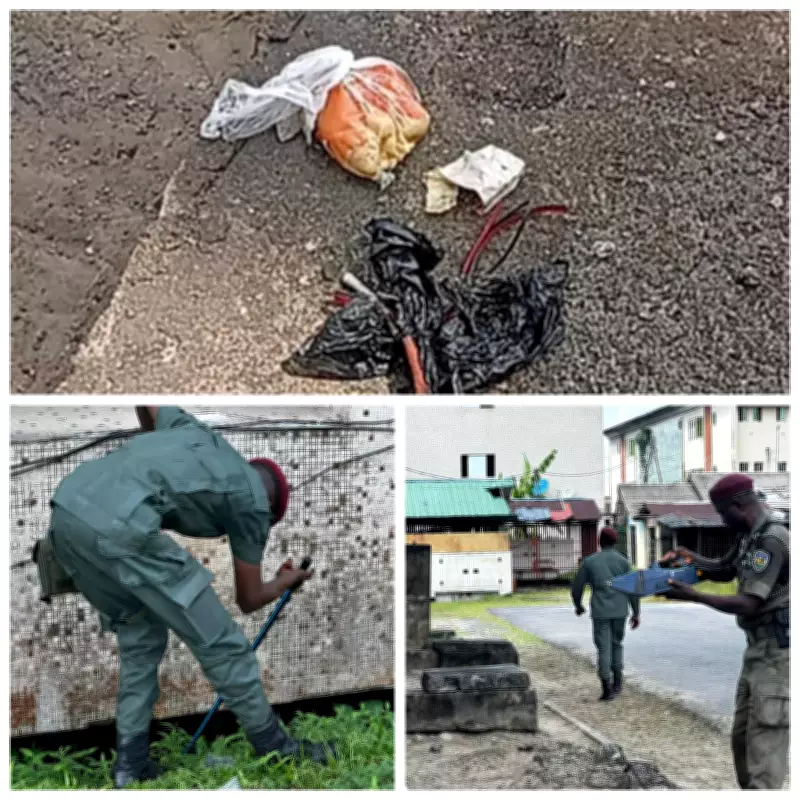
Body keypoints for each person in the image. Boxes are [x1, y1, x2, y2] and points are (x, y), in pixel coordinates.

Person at [43, 406, 333, 787]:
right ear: (271, 510)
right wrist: (284, 582)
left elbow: (147, 402)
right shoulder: (254, 506)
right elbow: (248, 598)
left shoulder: (194, 432)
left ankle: (130, 767)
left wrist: (149, 442)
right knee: (224, 645)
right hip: (124, 526)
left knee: (141, 640)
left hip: (66, 512)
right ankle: (277, 748)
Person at [662, 473, 789, 790]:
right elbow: (723, 568)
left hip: (779, 656)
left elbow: (749, 602)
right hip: (757, 652)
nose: (721, 519)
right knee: (743, 739)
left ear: (737, 505)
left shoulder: (772, 539)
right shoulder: (750, 536)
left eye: (721, 513)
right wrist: (689, 559)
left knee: (765, 744)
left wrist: (695, 596)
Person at [571, 527, 640, 701]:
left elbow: (577, 587)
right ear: (615, 542)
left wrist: (578, 605)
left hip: (601, 612)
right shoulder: (623, 562)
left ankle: (606, 687)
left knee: (604, 648)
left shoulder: (590, 562)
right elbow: (633, 588)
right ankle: (618, 683)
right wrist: (636, 612)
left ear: (599, 542)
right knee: (617, 644)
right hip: (620, 611)